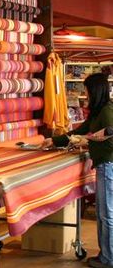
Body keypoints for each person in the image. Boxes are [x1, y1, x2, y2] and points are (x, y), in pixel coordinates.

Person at [42, 73, 113, 268]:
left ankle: (109, 259)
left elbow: (109, 136)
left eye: (87, 90)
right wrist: (54, 140)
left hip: (108, 166)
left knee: (107, 214)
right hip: (103, 165)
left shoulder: (107, 111)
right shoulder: (99, 112)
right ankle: (105, 255)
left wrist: (90, 140)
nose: (85, 93)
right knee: (102, 213)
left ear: (95, 91)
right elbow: (80, 130)